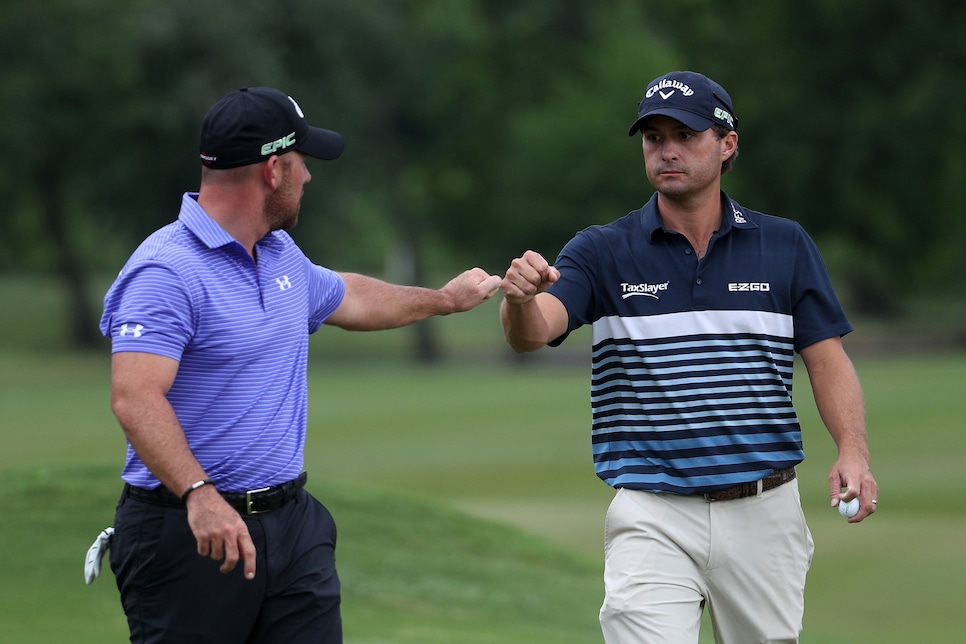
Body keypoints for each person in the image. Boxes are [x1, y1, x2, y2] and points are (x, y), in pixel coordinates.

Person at [98, 86, 501, 643]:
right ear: (272, 170)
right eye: (302, 165)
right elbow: (135, 395)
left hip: (291, 527)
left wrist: (443, 299)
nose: (308, 178)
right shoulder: (166, 272)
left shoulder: (278, 252)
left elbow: (350, 296)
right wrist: (200, 496)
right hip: (189, 530)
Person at [499, 71, 879, 643]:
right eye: (653, 138)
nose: (666, 150)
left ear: (727, 145)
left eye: (685, 134)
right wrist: (520, 301)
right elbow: (533, 331)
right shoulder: (602, 250)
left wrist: (853, 450)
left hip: (763, 508)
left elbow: (826, 360)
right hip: (652, 512)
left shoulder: (784, 244)